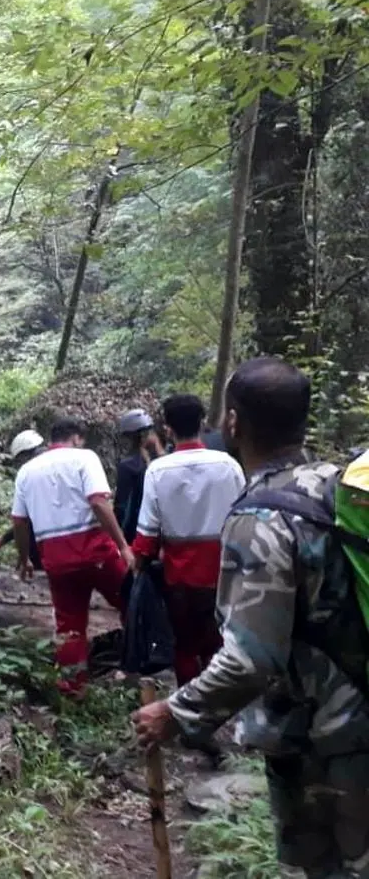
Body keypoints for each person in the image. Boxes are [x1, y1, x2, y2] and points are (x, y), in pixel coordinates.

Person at [133, 358, 369, 879]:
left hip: (321, 737)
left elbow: (251, 658)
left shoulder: (260, 516)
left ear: (234, 422)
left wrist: (174, 711)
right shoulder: (341, 488)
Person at [12, 416, 134, 695]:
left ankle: (72, 688)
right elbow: (98, 502)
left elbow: (19, 521)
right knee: (131, 603)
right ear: (77, 437)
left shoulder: (25, 473)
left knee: (70, 626)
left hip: (56, 559)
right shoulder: (84, 458)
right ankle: (138, 669)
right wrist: (123, 546)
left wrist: (24, 559)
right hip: (97, 552)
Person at [131, 394, 245, 687]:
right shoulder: (229, 465)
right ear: (203, 423)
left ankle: (188, 709)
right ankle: (215, 702)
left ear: (167, 429)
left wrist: (137, 565)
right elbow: (246, 516)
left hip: (179, 578)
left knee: (184, 645)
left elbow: (146, 536)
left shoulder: (158, 470)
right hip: (223, 574)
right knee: (218, 641)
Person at [0, 429, 46, 571]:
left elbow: (24, 521)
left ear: (26, 454)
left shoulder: (32, 474)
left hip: (45, 546)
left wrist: (4, 540)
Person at [114, 408, 165, 545]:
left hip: (138, 534)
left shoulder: (128, 466)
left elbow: (122, 507)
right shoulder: (165, 462)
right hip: (165, 534)